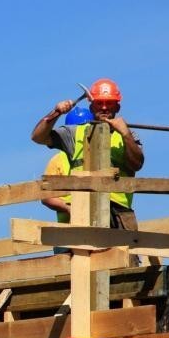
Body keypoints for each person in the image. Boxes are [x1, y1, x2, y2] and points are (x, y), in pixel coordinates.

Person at [31, 78, 144, 230]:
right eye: (99, 103)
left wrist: (125, 134)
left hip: (119, 214)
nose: (104, 107)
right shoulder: (76, 134)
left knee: (126, 253)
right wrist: (56, 113)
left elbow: (137, 164)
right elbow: (38, 137)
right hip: (83, 210)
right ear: (91, 107)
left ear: (117, 107)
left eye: (109, 103)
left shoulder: (128, 135)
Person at [41, 107, 94, 223]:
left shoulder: (100, 154)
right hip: (68, 225)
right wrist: (69, 209)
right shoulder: (58, 160)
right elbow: (46, 196)